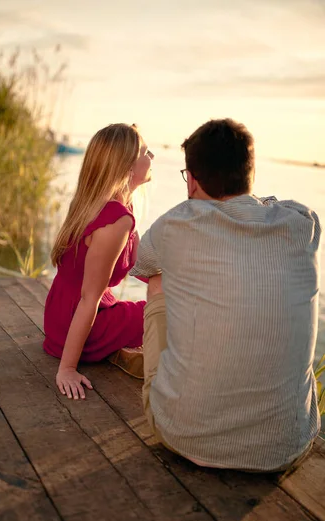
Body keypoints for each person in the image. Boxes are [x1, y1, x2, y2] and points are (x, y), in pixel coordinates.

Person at [131, 118, 321, 472]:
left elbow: (142, 267)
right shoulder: (303, 224)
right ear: (248, 173)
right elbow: (280, 205)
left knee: (160, 279)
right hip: (286, 447)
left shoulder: (176, 224)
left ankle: (182, 386)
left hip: (184, 437)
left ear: (194, 180)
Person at [44, 123, 154, 400]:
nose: (151, 156)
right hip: (80, 328)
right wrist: (67, 369)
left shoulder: (97, 203)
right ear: (126, 165)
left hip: (59, 318)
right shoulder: (117, 220)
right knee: (170, 317)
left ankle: (126, 351)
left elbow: (143, 267)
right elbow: (89, 299)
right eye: (144, 151)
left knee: (163, 307)